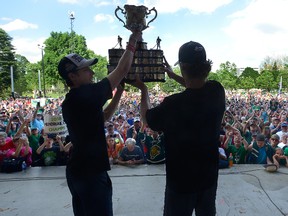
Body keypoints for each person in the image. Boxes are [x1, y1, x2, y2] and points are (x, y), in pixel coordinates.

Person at [130, 41, 225, 215]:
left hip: (181, 182)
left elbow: (146, 118)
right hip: (208, 177)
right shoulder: (217, 91)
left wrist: (143, 89)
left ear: (183, 67)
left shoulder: (172, 104)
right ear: (206, 66)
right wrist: (173, 76)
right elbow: (197, 88)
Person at [57, 31, 142, 216]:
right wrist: (133, 40)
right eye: (86, 70)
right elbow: (121, 71)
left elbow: (103, 117)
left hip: (80, 171)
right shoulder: (83, 95)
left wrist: (119, 93)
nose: (92, 72)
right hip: (90, 173)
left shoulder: (74, 100)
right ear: (73, 76)